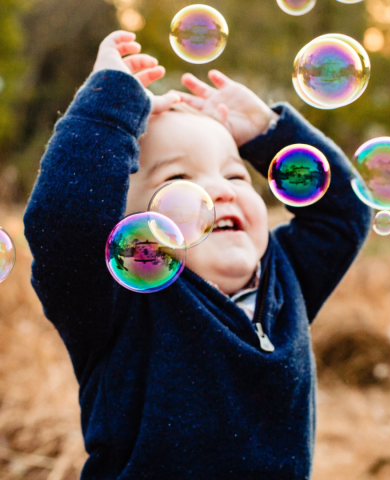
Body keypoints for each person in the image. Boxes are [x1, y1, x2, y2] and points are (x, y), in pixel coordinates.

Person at [24, 31, 371, 479]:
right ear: (125, 230)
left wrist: (269, 135)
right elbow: (66, 219)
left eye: (236, 175)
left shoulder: (285, 280)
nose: (221, 190)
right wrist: (108, 104)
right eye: (181, 177)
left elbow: (344, 214)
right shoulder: (121, 302)